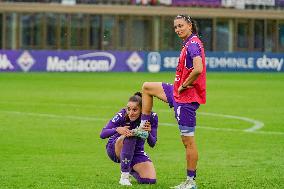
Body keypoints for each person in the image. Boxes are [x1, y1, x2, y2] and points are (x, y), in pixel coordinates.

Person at [138, 14, 206, 189]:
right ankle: (144, 129)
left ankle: (191, 182)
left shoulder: (193, 44)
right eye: (175, 27)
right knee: (147, 87)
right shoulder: (189, 43)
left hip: (186, 99)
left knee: (188, 141)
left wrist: (184, 84)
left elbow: (198, 68)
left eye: (181, 25)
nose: (178, 29)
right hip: (177, 93)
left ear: (190, 25)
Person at [100, 92, 158, 186]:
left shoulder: (152, 117)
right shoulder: (122, 114)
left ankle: (128, 167)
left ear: (142, 110)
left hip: (137, 151)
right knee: (131, 134)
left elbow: (152, 143)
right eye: (128, 109)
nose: (130, 113)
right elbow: (102, 134)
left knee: (149, 180)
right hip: (115, 148)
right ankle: (124, 177)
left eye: (135, 110)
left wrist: (148, 134)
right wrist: (117, 129)